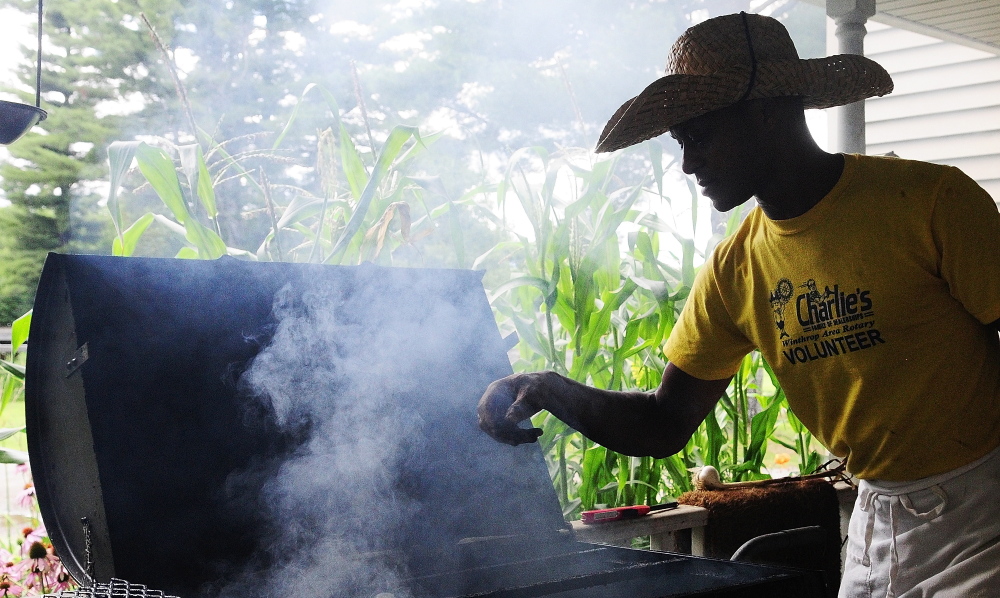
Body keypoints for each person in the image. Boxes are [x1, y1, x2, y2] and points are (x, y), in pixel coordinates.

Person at [477, 12, 1000, 598]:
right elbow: (664, 421)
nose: (688, 164)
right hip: (874, 522)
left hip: (985, 513)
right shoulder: (735, 268)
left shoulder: (931, 202)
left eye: (699, 136)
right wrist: (546, 388)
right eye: (680, 143)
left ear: (768, 111)